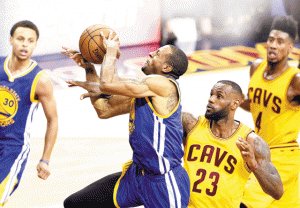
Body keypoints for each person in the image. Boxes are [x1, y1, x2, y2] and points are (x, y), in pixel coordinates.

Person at [62, 31, 190, 207]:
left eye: (158, 54)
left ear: (167, 68)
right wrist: (89, 68)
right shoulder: (143, 91)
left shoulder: (163, 86)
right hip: (136, 176)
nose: (152, 53)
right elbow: (104, 109)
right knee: (76, 203)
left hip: (164, 182)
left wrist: (111, 53)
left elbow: (107, 84)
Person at [181, 80, 283, 208]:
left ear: (234, 104)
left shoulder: (251, 141)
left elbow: (277, 192)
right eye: (211, 94)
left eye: (219, 96)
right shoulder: (191, 125)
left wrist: (254, 165)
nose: (211, 99)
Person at [240, 15, 300, 207]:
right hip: (261, 148)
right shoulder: (256, 67)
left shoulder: (295, 81)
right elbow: (254, 104)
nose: (273, 45)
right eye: (271, 40)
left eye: (280, 42)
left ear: (290, 49)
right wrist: (236, 100)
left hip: (283, 154)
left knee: (245, 200)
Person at [0, 20, 58, 207]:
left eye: (30, 41)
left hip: (13, 148)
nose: (25, 44)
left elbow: (53, 119)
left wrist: (45, 159)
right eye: (20, 39)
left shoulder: (40, 80)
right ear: (11, 40)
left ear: (35, 44)